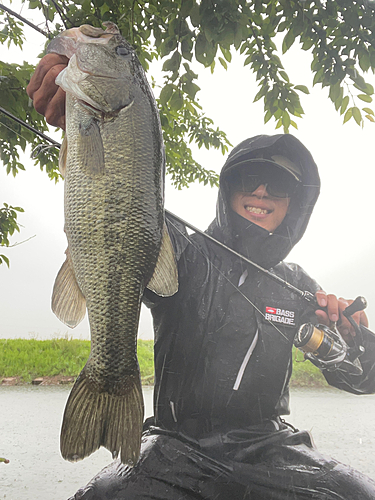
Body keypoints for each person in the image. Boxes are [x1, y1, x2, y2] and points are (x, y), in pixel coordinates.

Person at [28, 57, 375, 500]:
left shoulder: (299, 284)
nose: (262, 192)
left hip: (268, 447)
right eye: (250, 178)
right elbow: (125, 209)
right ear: (228, 187)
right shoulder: (183, 250)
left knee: (357, 493)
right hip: (173, 446)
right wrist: (74, 100)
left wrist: (348, 338)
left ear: (296, 205)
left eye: (278, 186)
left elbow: (366, 378)